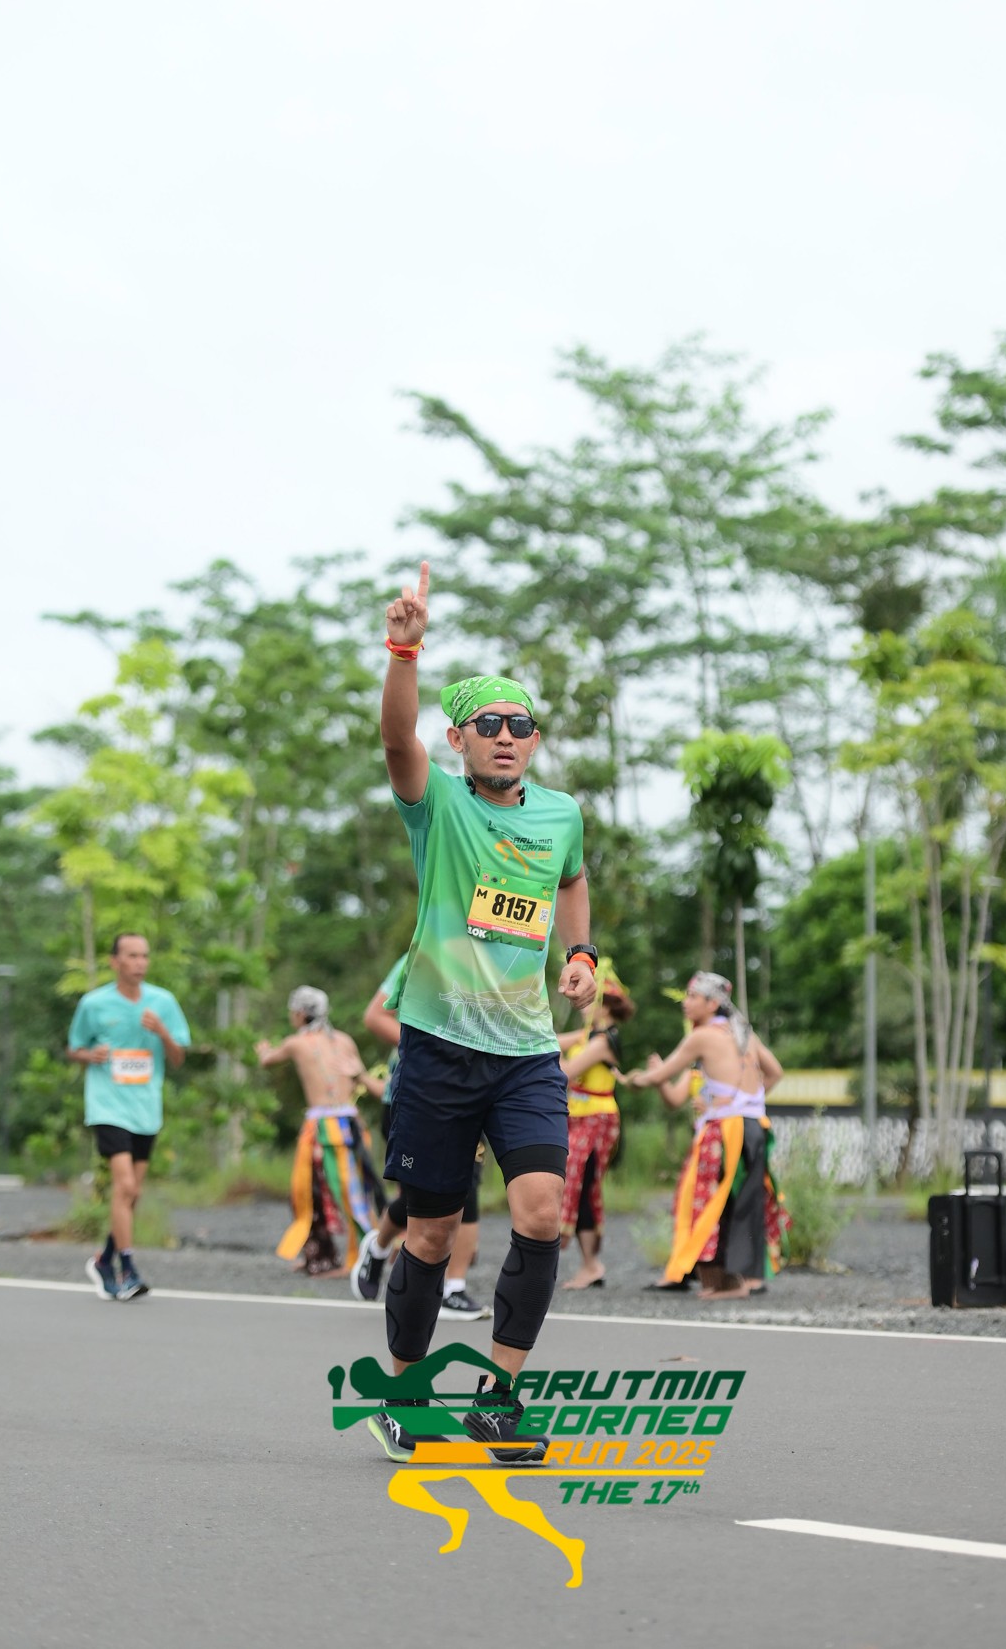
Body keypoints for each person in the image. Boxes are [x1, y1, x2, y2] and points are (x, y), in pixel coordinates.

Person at [369, 561, 597, 1465]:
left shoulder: (561, 815)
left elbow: (572, 882)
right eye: (490, 725)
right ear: (459, 737)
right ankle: (403, 1389)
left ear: (535, 742)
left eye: (521, 725)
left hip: (526, 1054)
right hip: (438, 1049)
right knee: (429, 1234)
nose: (507, 737)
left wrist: (580, 954)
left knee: (541, 1213)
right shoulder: (438, 805)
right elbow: (395, 739)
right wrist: (405, 652)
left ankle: (499, 1400)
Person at [626, 970, 783, 1299]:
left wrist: (632, 1080)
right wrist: (746, 1101)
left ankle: (727, 1281)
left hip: (726, 1130)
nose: (686, 1003)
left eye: (693, 997)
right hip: (755, 1125)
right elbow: (775, 1073)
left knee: (706, 1201)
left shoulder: (703, 1036)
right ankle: (746, 1279)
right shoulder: (743, 1032)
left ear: (712, 1004)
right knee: (745, 1201)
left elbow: (660, 1075)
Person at [353, 953, 489, 1321]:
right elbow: (375, 1016)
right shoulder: (430, 949)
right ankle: (379, 1246)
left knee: (467, 1184)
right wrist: (440, 1050)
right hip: (413, 1093)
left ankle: (453, 1288)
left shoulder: (501, 955)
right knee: (422, 1195)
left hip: (473, 1091)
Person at [67, 933, 191, 1301]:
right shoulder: (94, 1003)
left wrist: (162, 1032)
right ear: (115, 961)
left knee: (132, 1192)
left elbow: (178, 1058)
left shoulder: (163, 1002)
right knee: (124, 1187)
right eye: (132, 956)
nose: (140, 963)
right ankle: (128, 1268)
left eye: (144, 956)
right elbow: (74, 1048)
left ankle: (103, 1260)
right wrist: (90, 1055)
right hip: (108, 1106)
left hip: (145, 1108)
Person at [257, 985, 385, 1278]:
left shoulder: (296, 1043)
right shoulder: (344, 1040)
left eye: (293, 1011)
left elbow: (268, 1060)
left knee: (349, 1193)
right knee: (310, 1192)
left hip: (329, 1127)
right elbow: (359, 1080)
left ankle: (361, 1259)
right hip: (348, 1121)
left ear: (301, 1014)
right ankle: (319, 1256)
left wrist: (263, 1049)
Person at [557, 963, 634, 1290]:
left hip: (598, 1120)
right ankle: (589, 1264)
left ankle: (591, 1265)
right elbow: (550, 1042)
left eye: (592, 1001)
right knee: (578, 1185)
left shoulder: (604, 1041)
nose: (585, 1006)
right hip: (577, 1118)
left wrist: (545, 1056)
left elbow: (565, 1072)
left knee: (584, 1185)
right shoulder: (587, 1035)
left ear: (605, 1007)